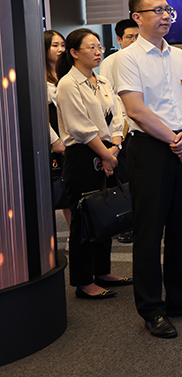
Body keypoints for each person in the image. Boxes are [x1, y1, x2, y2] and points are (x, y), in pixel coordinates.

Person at [117, 0, 182, 339]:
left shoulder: (177, 55)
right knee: (149, 232)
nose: (165, 15)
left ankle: (179, 297)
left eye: (167, 9)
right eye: (156, 10)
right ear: (137, 17)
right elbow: (136, 110)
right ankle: (151, 308)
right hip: (151, 148)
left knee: (180, 227)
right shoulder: (127, 58)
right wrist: (176, 141)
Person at [55, 28, 130, 299]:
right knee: (84, 219)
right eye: (91, 47)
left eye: (100, 47)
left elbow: (119, 115)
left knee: (105, 213)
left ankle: (102, 271)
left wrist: (115, 147)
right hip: (82, 156)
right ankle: (84, 282)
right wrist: (107, 155)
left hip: (109, 150)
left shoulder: (103, 80)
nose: (98, 52)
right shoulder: (68, 84)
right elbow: (81, 128)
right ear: (74, 53)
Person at [98, 18, 139, 243]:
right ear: (119, 39)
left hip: (143, 128)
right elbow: (110, 99)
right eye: (129, 37)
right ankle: (126, 224)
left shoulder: (143, 59)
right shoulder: (111, 62)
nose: (134, 41)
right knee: (125, 178)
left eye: (137, 36)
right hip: (122, 129)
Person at [44, 30, 69, 231]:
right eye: (55, 45)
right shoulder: (39, 78)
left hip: (71, 134)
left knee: (73, 188)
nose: (61, 49)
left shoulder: (67, 74)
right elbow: (40, 115)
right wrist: (54, 141)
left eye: (62, 44)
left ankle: (76, 234)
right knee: (60, 188)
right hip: (55, 139)